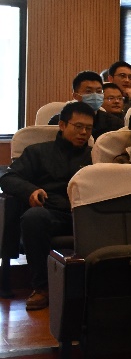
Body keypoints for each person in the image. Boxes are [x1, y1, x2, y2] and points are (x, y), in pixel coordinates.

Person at [1, 102, 94, 310]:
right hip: (51, 214)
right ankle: (41, 287)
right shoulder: (37, 152)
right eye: (78, 126)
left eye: (88, 128)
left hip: (86, 215)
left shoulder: (95, 156)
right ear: (62, 125)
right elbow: (8, 178)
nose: (84, 133)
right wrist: (30, 190)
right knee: (34, 217)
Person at [49, 71, 122, 139]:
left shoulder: (115, 123)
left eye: (99, 91)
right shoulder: (58, 121)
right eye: (89, 91)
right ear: (75, 96)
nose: (95, 95)